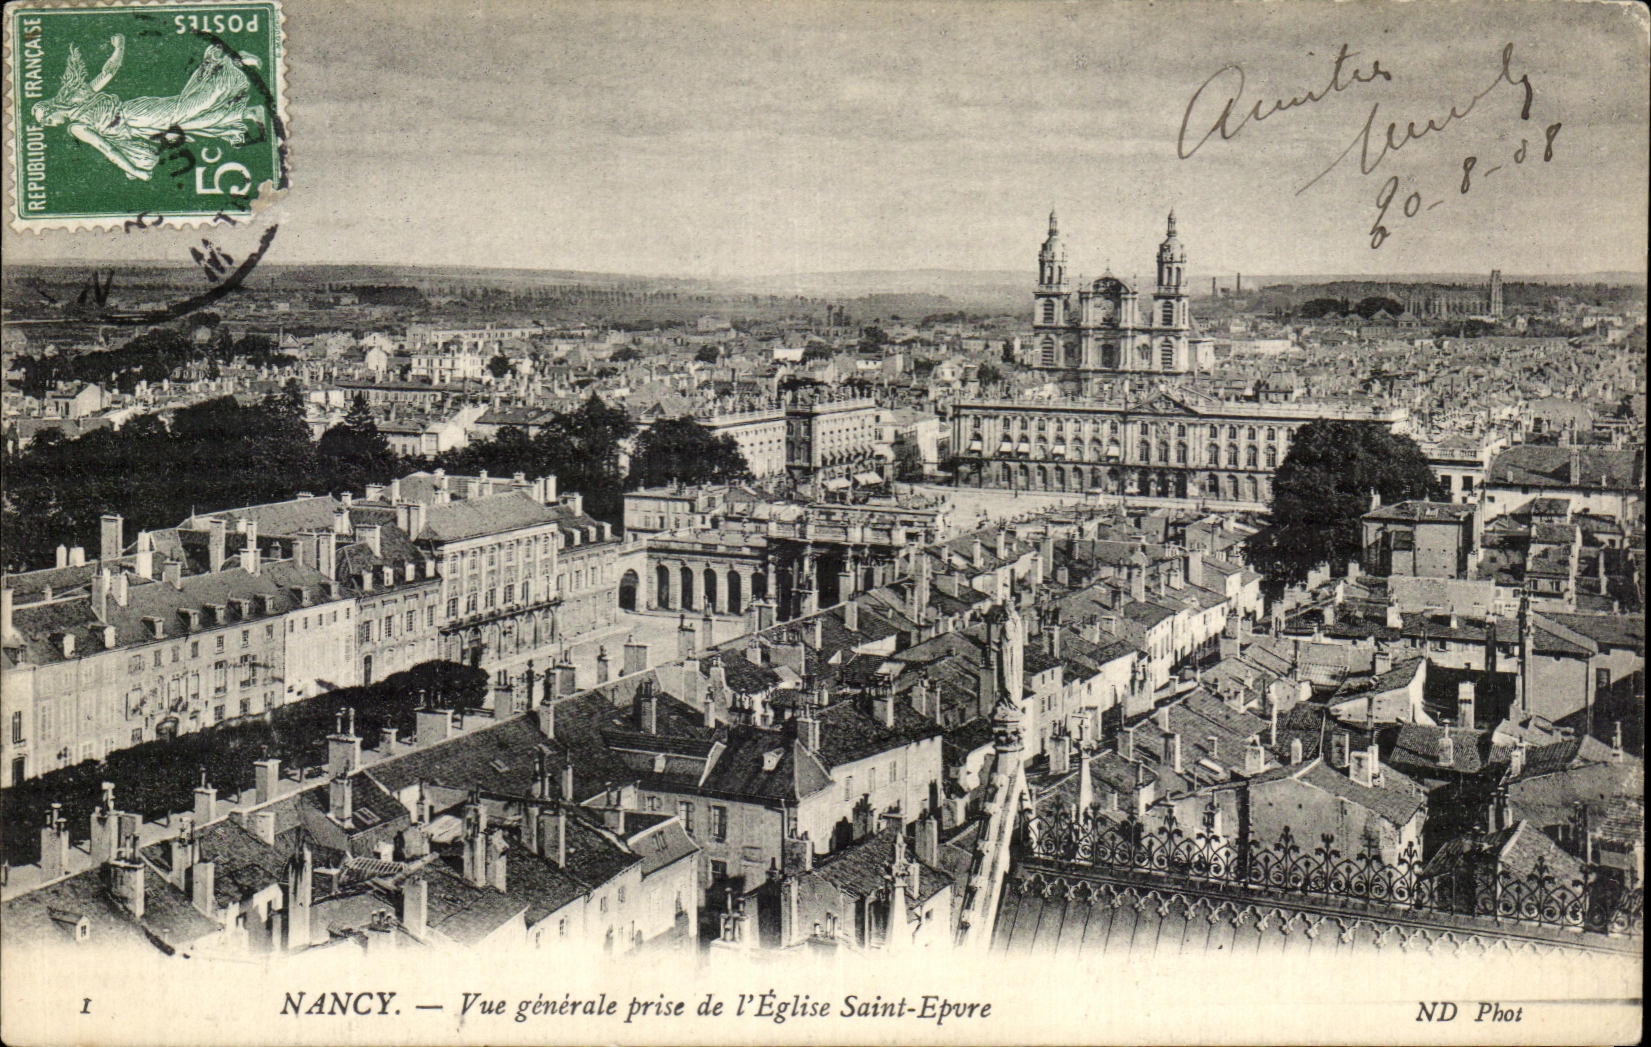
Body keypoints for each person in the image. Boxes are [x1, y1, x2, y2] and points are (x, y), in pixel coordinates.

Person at [31, 35, 265, 181]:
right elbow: (107, 75)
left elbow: (107, 149)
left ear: (52, 110)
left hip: (134, 114)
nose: (52, 125)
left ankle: (231, 62)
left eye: (48, 121)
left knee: (186, 109)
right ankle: (246, 113)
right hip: (136, 131)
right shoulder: (77, 112)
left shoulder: (77, 116)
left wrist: (119, 47)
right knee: (191, 123)